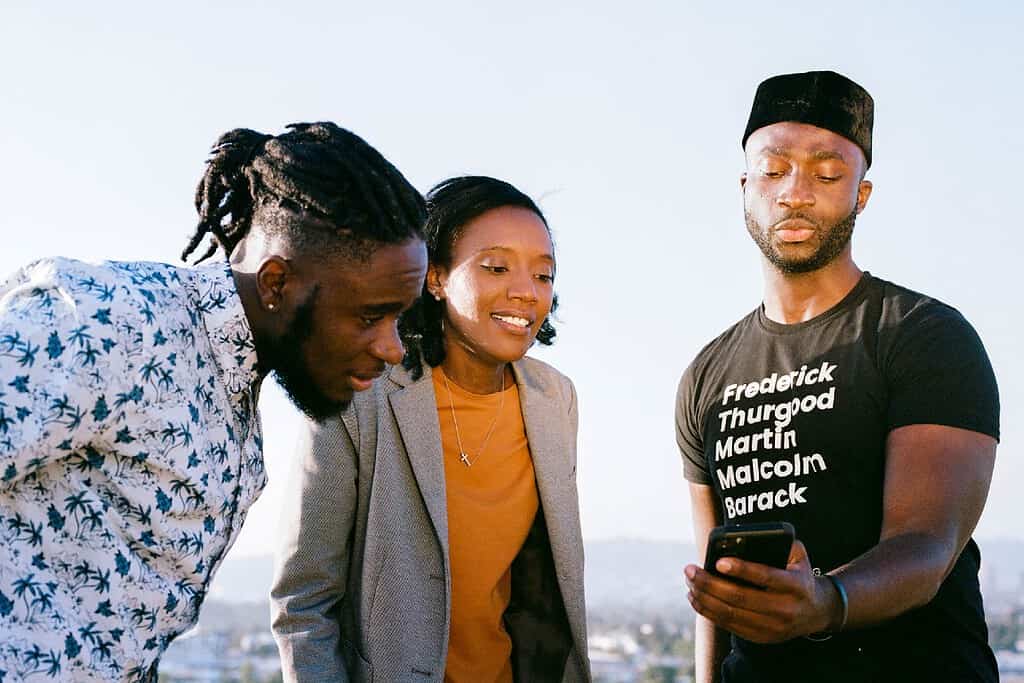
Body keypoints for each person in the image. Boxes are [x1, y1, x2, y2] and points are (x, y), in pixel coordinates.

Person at [0, 122, 428, 682]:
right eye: (371, 315)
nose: (393, 348)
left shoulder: (237, 401)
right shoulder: (117, 320)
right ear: (276, 283)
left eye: (399, 318)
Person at [675, 71, 1000, 682]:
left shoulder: (923, 335)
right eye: (773, 171)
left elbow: (927, 545)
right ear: (745, 188)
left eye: (827, 174)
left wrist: (825, 603)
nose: (796, 193)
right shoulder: (706, 376)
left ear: (862, 195)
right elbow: (718, 589)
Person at [271, 175, 591, 682]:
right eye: (496, 267)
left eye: (544, 275)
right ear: (435, 278)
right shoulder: (359, 392)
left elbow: (540, 589)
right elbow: (304, 601)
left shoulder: (555, 400)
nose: (526, 292)